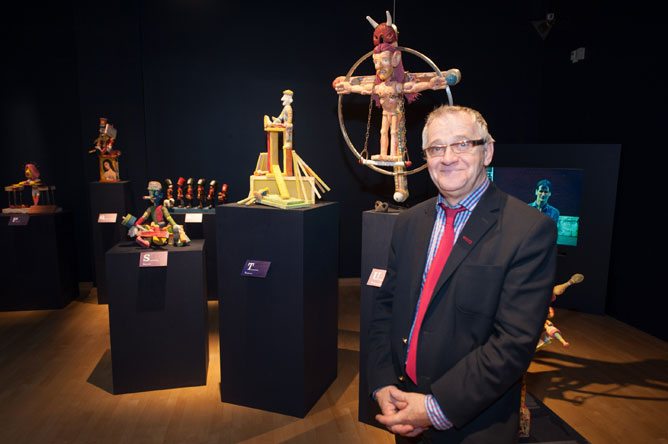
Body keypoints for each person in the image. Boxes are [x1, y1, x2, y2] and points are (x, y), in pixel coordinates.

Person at [367, 105, 557, 443]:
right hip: (403, 407)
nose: (448, 157)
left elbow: (513, 344)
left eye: (462, 144)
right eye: (436, 148)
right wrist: (382, 383)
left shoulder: (529, 231)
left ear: (488, 151)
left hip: (473, 423)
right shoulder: (408, 223)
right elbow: (386, 309)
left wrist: (434, 408)